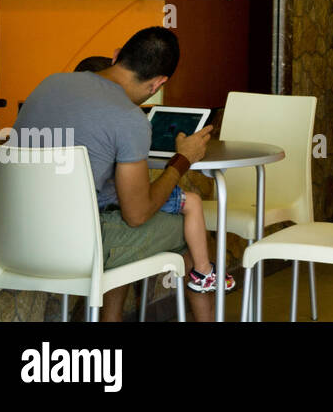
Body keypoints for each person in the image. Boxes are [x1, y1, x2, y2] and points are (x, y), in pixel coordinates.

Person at [15, 27, 216, 321]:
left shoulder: (51, 83)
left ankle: (111, 319)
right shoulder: (128, 119)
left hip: (17, 237)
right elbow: (138, 214)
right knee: (191, 233)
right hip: (75, 247)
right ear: (158, 83)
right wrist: (182, 160)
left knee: (112, 208)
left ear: (117, 55)